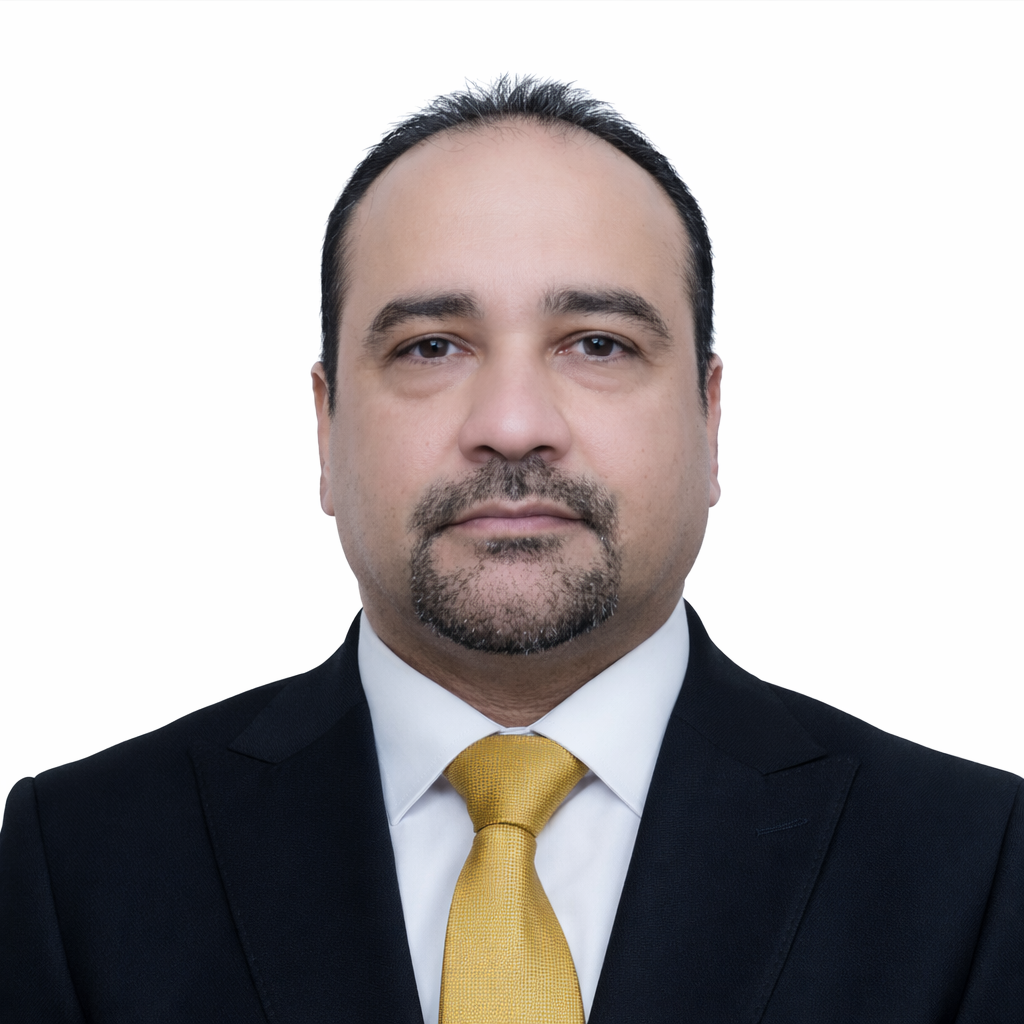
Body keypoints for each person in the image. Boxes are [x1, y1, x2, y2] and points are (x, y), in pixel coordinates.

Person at [0, 76, 1020, 1023]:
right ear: (325, 425)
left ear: (709, 421)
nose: (514, 424)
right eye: (430, 347)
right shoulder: (78, 863)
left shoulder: (976, 866)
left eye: (598, 343)